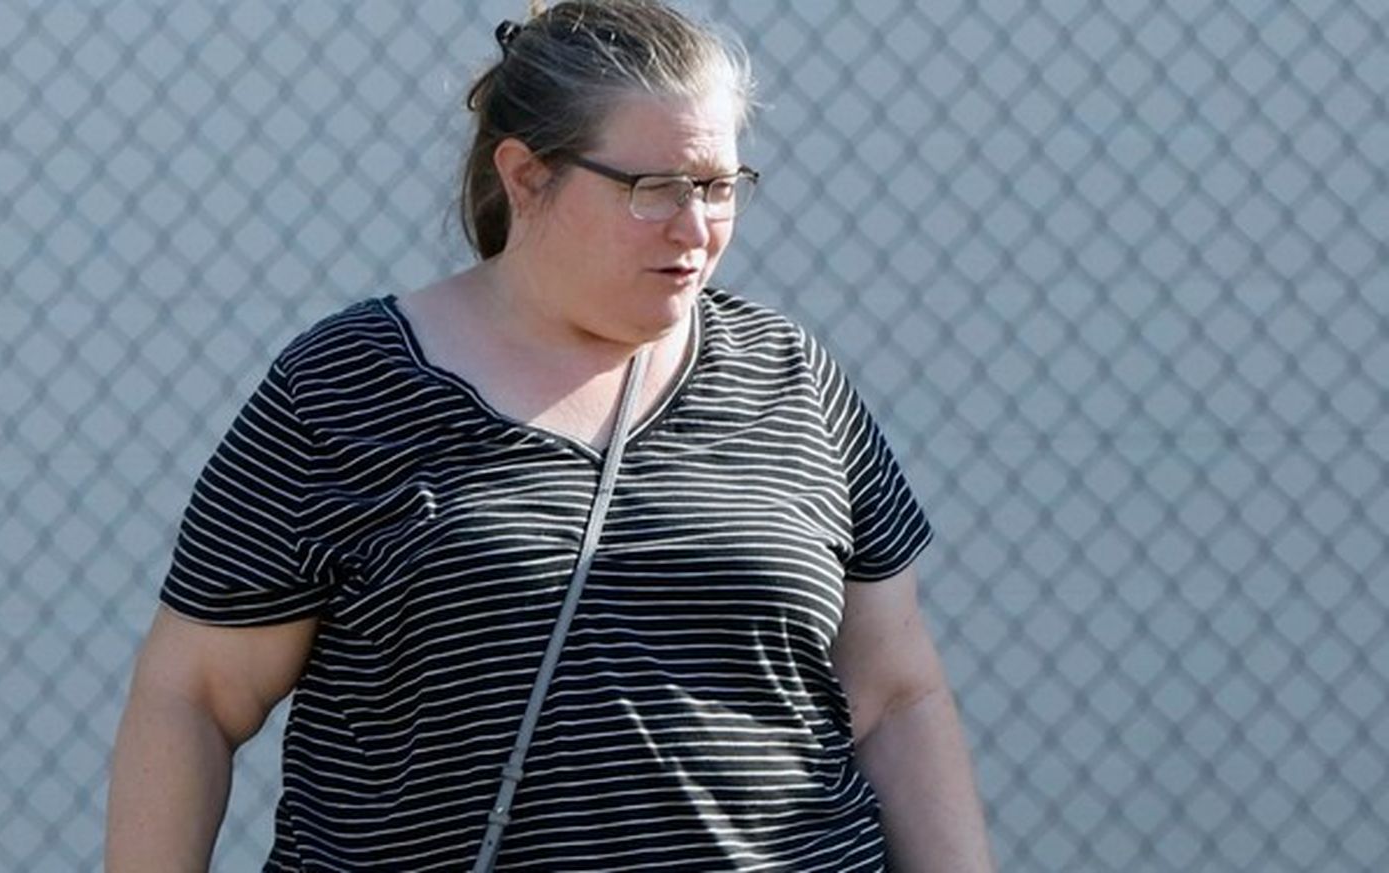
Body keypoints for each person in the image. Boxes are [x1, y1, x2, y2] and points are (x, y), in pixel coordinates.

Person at [106, 1, 994, 870]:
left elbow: (894, 693)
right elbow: (196, 694)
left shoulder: (789, 374)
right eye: (654, 189)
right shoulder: (343, 385)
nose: (696, 229)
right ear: (527, 176)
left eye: (719, 187)